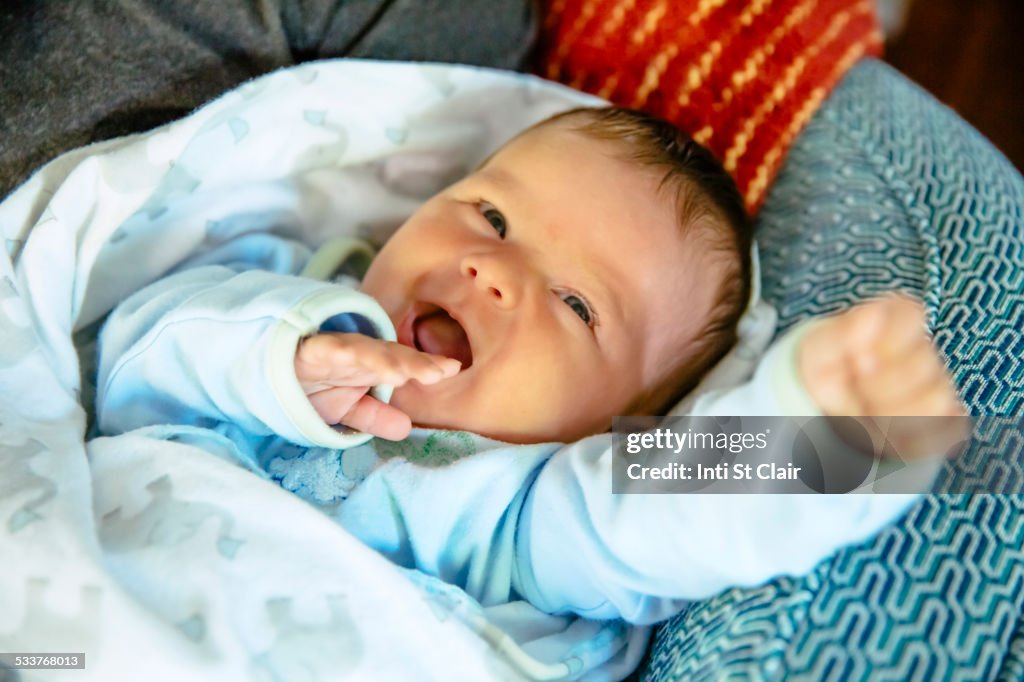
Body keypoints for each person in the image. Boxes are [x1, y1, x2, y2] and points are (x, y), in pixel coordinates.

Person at [95, 106, 964, 631]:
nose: (493, 271)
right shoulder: (292, 287)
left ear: (612, 427)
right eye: (491, 215)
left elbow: (662, 517)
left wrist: (825, 433)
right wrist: (278, 359)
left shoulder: (515, 512)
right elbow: (131, 352)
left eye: (580, 306)